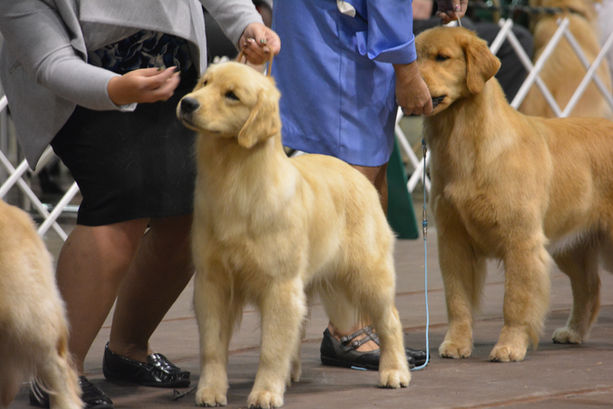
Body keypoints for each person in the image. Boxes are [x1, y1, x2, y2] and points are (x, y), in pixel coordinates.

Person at [0, 2, 280, 409]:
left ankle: (129, 348)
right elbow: (50, 62)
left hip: (174, 65)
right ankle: (56, 373)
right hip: (84, 85)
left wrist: (246, 23)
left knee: (193, 209)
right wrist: (116, 90)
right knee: (121, 200)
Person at [271, 0, 466, 371]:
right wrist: (406, 68)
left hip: (332, 25)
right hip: (342, 29)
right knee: (356, 186)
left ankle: (326, 327)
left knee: (363, 178)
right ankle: (346, 328)